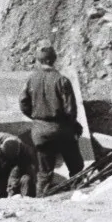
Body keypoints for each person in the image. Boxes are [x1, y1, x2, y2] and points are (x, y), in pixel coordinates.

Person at [21, 43, 86, 186]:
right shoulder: (61, 80)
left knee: (44, 173)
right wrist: (74, 125)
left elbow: (23, 104)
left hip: (40, 132)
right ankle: (79, 196)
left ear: (38, 60)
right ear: (54, 59)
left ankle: (41, 201)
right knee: (76, 167)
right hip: (61, 129)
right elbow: (70, 110)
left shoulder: (31, 79)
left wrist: (36, 118)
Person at [0, 131, 39, 199]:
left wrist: (11, 191)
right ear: (0, 148)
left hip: (11, 173)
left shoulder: (23, 149)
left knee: (26, 179)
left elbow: (17, 170)